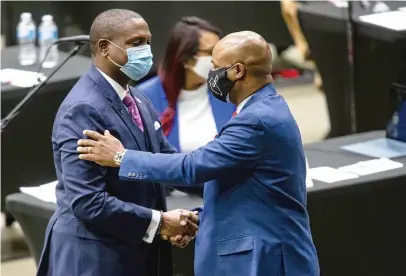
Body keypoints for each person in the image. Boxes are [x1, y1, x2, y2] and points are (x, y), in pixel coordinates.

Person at [77, 31, 320, 275]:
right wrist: (200, 219)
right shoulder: (262, 108)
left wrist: (121, 157)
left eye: (215, 66)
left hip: (264, 260)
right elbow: (249, 189)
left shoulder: (256, 120)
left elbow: (193, 167)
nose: (210, 74)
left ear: (237, 71)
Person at [37, 9, 198, 276]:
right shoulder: (83, 109)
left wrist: (220, 175)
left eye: (147, 42)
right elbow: (88, 202)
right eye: (135, 43)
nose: (145, 50)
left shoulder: (139, 99)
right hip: (95, 258)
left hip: (134, 253)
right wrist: (159, 223)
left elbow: (165, 163)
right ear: (104, 47)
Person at [138, 16, 234, 196]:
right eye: (212, 52)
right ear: (187, 59)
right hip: (175, 206)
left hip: (229, 195)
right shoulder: (144, 98)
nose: (222, 59)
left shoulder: (230, 91)